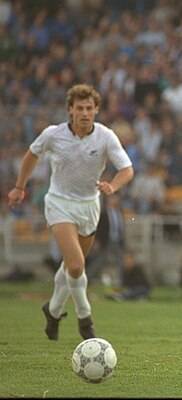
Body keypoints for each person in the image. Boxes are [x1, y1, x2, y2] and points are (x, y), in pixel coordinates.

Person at [8, 83, 134, 341]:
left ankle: (53, 310)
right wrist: (20, 187)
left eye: (89, 108)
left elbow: (127, 169)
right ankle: (85, 317)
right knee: (77, 265)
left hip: (89, 206)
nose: (85, 113)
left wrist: (113, 185)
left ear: (96, 109)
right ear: (70, 110)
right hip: (59, 203)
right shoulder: (53, 135)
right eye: (80, 108)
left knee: (71, 266)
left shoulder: (105, 136)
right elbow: (31, 155)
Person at [86, 193, 126, 283]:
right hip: (106, 241)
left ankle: (123, 282)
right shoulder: (103, 213)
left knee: (121, 262)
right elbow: (99, 228)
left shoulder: (119, 213)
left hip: (118, 241)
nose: (116, 200)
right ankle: (87, 279)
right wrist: (96, 241)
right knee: (98, 262)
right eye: (113, 198)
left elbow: (121, 228)